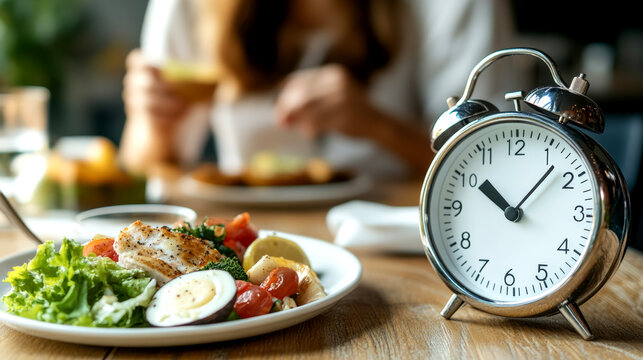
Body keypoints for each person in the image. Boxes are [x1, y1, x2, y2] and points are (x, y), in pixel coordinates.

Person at [120, 0, 514, 179]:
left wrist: (377, 125)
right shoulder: (190, 7)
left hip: (411, 242)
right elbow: (143, 166)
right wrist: (152, 123)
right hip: (246, 234)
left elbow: (495, 167)